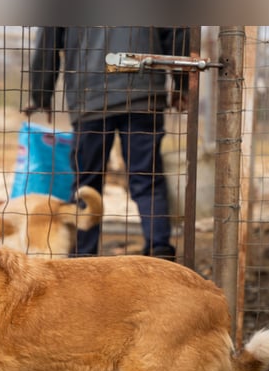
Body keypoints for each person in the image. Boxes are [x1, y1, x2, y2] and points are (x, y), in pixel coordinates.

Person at [24, 26, 190, 259]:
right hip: (143, 93)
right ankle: (159, 248)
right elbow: (178, 33)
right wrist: (182, 84)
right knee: (147, 177)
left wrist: (41, 94)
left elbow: (48, 42)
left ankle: (83, 256)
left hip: (90, 95)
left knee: (87, 181)